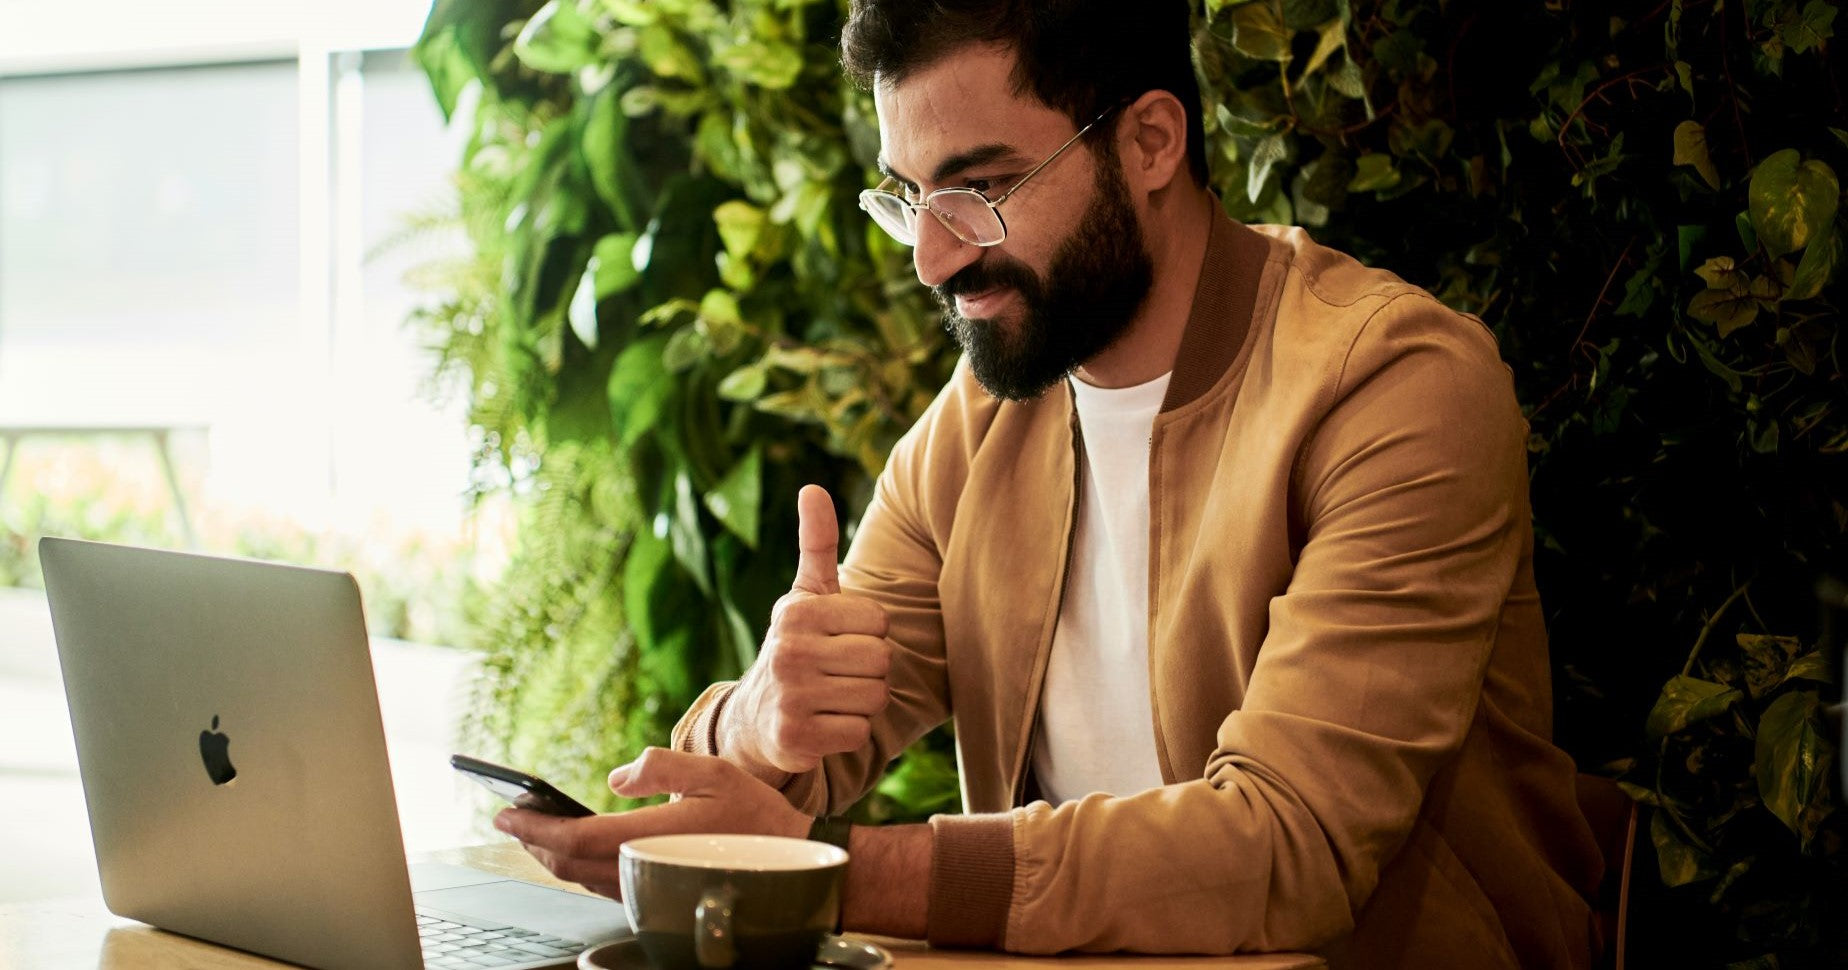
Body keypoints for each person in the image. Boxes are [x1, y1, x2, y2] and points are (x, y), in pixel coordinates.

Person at [494, 1, 1605, 966]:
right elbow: (761, 780)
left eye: (979, 189)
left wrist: (829, 870)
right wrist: (763, 724)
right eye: (908, 198)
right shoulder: (980, 428)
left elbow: (1283, 849)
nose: (932, 258)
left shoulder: (1391, 387)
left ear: (1151, 141)